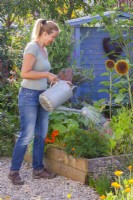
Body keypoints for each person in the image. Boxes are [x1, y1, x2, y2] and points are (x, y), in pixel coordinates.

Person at [8, 19, 60, 185]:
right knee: (27, 135)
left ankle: (38, 169)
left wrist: (54, 79)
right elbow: (25, 73)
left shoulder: (44, 50)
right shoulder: (33, 47)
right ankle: (13, 172)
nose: (54, 40)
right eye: (53, 36)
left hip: (42, 96)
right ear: (45, 33)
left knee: (41, 134)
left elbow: (42, 72)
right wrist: (46, 74)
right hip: (29, 95)